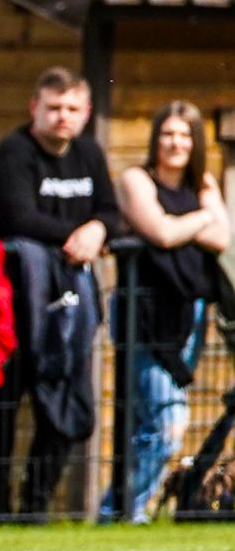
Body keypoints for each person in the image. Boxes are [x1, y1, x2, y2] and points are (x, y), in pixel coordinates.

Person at [0, 67, 116, 522]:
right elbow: (17, 216)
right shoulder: (14, 153)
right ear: (34, 107)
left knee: (61, 403)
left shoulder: (89, 155)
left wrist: (98, 229)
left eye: (72, 109)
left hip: (66, 309)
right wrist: (80, 235)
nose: (62, 117)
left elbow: (112, 212)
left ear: (86, 113)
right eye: (53, 107)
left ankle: (34, 508)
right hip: (10, 305)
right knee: (0, 408)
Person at [98, 102, 229, 523]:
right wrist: (199, 221)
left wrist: (185, 221)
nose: (176, 143)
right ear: (155, 138)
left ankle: (117, 514)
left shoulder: (202, 182)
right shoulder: (136, 180)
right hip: (144, 316)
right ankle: (122, 512)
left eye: (185, 135)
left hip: (189, 314)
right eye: (168, 134)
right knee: (168, 420)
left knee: (150, 423)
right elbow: (162, 233)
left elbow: (223, 234)